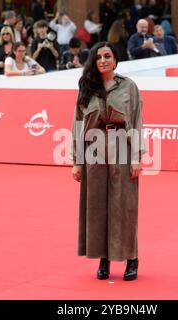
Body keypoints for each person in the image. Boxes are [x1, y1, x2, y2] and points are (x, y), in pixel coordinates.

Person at [71, 42, 145, 281]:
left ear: (115, 60)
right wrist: (77, 161)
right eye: (98, 57)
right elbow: (78, 126)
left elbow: (136, 121)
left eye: (107, 56)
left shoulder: (129, 87)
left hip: (122, 146)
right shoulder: (86, 88)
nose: (103, 60)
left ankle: (131, 258)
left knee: (124, 205)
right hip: (94, 150)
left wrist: (136, 157)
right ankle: (104, 259)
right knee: (98, 207)